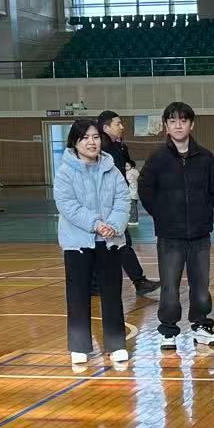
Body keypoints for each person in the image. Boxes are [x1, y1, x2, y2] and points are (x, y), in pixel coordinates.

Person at [138, 101, 214, 352]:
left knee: (201, 286)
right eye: (173, 121)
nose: (178, 125)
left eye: (183, 121)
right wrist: (162, 215)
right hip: (170, 236)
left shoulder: (205, 157)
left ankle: (201, 326)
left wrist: (202, 212)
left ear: (191, 125)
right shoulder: (157, 158)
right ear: (166, 125)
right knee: (170, 287)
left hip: (200, 235)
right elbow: (145, 189)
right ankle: (168, 331)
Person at [53, 117, 131, 366]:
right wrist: (96, 224)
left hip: (109, 241)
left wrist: (114, 225)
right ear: (75, 142)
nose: (91, 142)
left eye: (95, 137)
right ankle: (79, 346)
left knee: (112, 293)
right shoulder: (65, 172)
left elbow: (123, 199)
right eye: (85, 138)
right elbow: (68, 205)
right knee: (78, 293)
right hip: (78, 243)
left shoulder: (112, 169)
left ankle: (116, 344)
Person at [97, 111, 159, 297]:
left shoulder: (118, 147)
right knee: (117, 243)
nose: (122, 127)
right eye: (117, 124)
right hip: (106, 207)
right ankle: (137, 281)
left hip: (116, 204)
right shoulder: (102, 150)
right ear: (106, 127)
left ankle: (137, 281)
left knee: (121, 243)